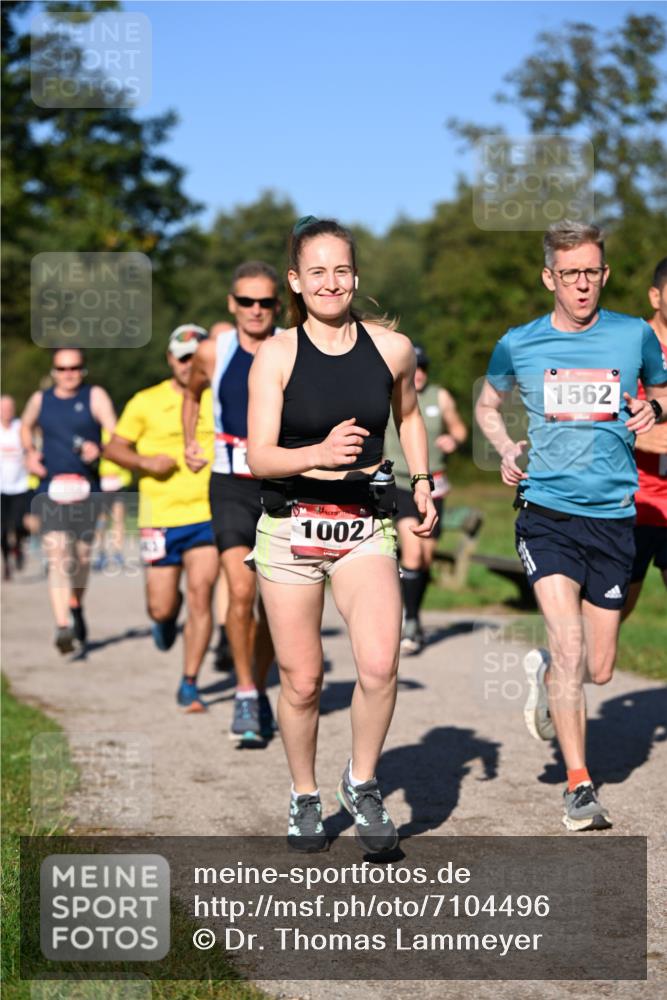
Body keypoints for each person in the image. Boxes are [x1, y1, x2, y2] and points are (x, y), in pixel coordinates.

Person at [246, 217, 437, 853]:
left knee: (381, 664)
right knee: (302, 683)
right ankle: (304, 794)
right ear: (296, 282)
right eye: (317, 272)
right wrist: (320, 454)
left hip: (364, 526)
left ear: (356, 275)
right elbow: (260, 457)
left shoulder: (393, 349)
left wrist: (423, 481)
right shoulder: (275, 355)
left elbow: (409, 418)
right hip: (290, 526)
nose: (332, 282)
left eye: (342, 270)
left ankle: (361, 781)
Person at [475, 220, 667, 832]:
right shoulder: (519, 343)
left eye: (592, 272)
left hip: (615, 517)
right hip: (547, 512)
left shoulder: (635, 335)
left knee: (600, 666)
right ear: (549, 277)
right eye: (570, 273)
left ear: (605, 275)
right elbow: (486, 402)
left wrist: (654, 407)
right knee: (571, 644)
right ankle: (579, 785)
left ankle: (546, 672)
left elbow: (664, 391)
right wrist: (506, 446)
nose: (582, 284)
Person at [183, 263, 279, 743]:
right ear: (232, 304)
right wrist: (189, 441)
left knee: (274, 603)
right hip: (230, 484)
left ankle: (260, 688)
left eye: (265, 302)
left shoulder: (292, 346)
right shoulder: (211, 351)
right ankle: (244, 692)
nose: (256, 310)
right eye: (247, 302)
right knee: (240, 593)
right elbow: (193, 393)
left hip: (281, 485)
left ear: (277, 305)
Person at [105, 325, 218, 712]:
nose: (189, 364)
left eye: (196, 357)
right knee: (161, 606)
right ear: (170, 359)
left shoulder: (220, 399)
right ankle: (166, 617)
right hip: (159, 517)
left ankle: (190, 682)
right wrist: (144, 462)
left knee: (203, 595)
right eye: (182, 357)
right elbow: (114, 447)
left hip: (207, 513)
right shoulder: (145, 401)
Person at [20, 348, 117, 652]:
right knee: (59, 555)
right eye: (62, 369)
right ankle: (62, 626)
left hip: (87, 488)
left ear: (82, 369)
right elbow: (25, 426)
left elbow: (117, 435)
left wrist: (99, 448)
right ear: (54, 371)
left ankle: (76, 606)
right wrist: (30, 453)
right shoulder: (40, 400)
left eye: (74, 367)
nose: (68, 373)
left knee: (82, 559)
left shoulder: (95, 396)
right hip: (51, 488)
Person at [383, 346, 467, 654]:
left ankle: (411, 608)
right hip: (402, 483)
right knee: (414, 553)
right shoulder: (390, 393)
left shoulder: (439, 396)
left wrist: (453, 439)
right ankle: (412, 621)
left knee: (426, 557)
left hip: (435, 486)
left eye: (423, 368)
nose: (418, 373)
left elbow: (458, 427)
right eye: (414, 367)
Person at [622, 257, 667, 619]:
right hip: (633, 501)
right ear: (656, 296)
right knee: (614, 613)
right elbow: (599, 423)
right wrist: (641, 438)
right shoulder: (628, 349)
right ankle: (559, 670)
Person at [1, 395, 31, 580]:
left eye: (9, 407)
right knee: (2, 530)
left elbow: (32, 448)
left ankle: (18, 546)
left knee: (20, 525)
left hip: (20, 485)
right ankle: (6, 563)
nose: (6, 411)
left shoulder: (21, 428)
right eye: (3, 408)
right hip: (1, 488)